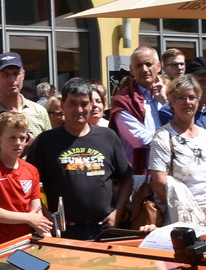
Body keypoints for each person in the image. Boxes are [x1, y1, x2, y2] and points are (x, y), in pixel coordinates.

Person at [29, 78, 133, 239]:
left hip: (104, 230)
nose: (79, 109)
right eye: (72, 103)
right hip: (65, 232)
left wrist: (117, 213)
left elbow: (126, 177)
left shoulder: (108, 137)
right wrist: (46, 217)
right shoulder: (45, 141)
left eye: (84, 104)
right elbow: (28, 184)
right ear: (62, 105)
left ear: (91, 105)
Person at [148, 75, 206, 228]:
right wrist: (188, 213)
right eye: (181, 98)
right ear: (171, 101)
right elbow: (159, 183)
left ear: (198, 100)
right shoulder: (163, 137)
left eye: (191, 97)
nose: (187, 102)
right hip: (179, 222)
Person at [0, 110, 51, 248]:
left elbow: (37, 212)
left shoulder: (31, 170)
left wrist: (48, 239)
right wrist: (29, 218)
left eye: (22, 138)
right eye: (12, 138)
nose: (18, 143)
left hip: (27, 246)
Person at [108, 46, 168, 179]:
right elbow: (140, 140)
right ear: (131, 70)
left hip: (173, 172)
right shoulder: (123, 100)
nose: (145, 69)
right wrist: (175, 139)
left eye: (149, 64)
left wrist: (165, 102)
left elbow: (185, 125)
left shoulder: (170, 96)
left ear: (158, 66)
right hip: (140, 176)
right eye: (139, 65)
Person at [0, 53, 51, 149]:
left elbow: (50, 150)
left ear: (23, 75)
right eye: (5, 75)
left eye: (16, 74)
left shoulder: (39, 111)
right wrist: (24, 149)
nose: (11, 80)